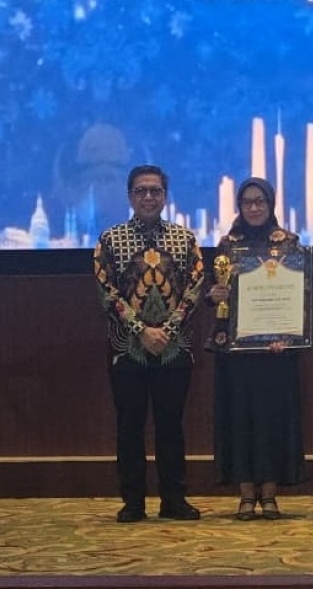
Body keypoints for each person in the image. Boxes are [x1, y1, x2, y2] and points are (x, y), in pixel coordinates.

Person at [93, 164, 204, 523]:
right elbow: (106, 291)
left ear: (165, 196)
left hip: (174, 348)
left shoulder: (185, 239)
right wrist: (141, 330)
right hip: (127, 350)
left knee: (171, 426)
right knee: (130, 427)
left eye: (155, 191)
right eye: (141, 191)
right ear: (130, 196)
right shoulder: (110, 240)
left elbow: (195, 288)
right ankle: (133, 502)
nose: (148, 197)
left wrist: (167, 329)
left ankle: (174, 500)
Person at [207, 177, 306, 520]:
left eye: (259, 201)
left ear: (271, 204)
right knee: (240, 419)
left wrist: (287, 335)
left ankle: (271, 494)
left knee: (272, 420)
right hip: (237, 354)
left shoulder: (289, 243)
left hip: (276, 352)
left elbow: (298, 296)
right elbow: (214, 292)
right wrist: (214, 295)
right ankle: (246, 494)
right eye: (247, 202)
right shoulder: (227, 245)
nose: (253, 208)